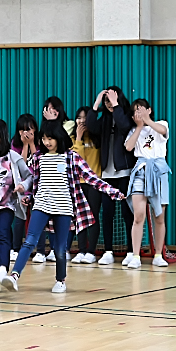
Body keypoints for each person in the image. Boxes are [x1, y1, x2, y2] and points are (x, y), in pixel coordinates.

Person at [0, 120, 125, 294]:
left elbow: (91, 178)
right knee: (29, 241)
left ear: (59, 138)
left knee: (59, 248)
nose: (47, 142)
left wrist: (112, 191)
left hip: (63, 207)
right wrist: (27, 195)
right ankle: (14, 276)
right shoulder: (38, 158)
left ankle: (60, 280)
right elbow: (34, 181)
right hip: (41, 204)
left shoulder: (71, 157)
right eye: (44, 138)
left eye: (50, 138)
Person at [86, 86, 135, 265]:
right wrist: (97, 103)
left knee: (127, 213)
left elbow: (124, 126)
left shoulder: (125, 115)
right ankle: (108, 250)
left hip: (125, 173)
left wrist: (115, 106)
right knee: (107, 213)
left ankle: (131, 250)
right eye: (106, 101)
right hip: (107, 174)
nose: (108, 104)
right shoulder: (104, 120)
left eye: (111, 100)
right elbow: (91, 126)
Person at [123, 99, 172, 269]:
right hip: (141, 171)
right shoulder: (133, 130)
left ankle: (158, 254)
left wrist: (148, 120)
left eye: (142, 109)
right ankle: (135, 255)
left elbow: (163, 131)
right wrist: (138, 126)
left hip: (158, 170)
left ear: (149, 110)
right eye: (136, 111)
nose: (139, 113)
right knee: (138, 215)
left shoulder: (160, 123)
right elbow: (129, 147)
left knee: (159, 216)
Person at [0, 119, 31, 288]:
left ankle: (3, 270)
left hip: (7, 204)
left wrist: (22, 186)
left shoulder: (13, 157)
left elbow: (29, 176)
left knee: (4, 232)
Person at [9, 114, 50, 262]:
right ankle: (15, 249)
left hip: (39, 184)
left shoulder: (41, 142)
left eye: (29, 129)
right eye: (22, 130)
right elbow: (22, 166)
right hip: (22, 185)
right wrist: (25, 145)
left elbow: (38, 163)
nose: (26, 133)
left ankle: (40, 251)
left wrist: (32, 143)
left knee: (37, 217)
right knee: (19, 217)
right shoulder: (15, 143)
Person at [70, 106, 103, 264]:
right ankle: (82, 250)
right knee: (80, 218)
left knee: (93, 217)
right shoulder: (72, 139)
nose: (82, 121)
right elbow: (77, 160)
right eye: (79, 118)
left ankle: (91, 251)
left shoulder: (97, 138)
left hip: (94, 183)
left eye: (85, 118)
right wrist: (78, 138)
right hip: (79, 183)